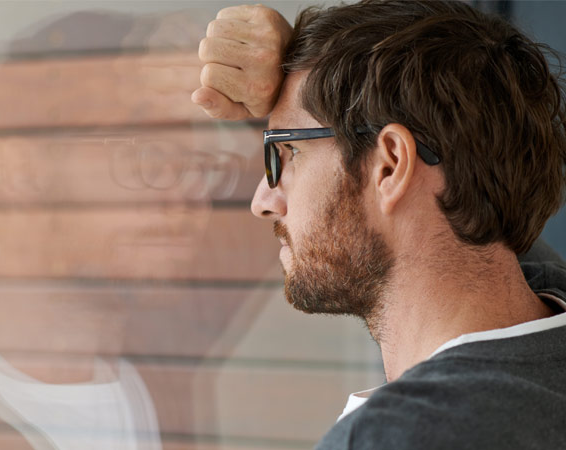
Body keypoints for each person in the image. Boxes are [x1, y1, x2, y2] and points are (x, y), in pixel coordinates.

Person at [193, 1, 566, 448]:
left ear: (390, 166)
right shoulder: (544, 314)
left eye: (286, 152)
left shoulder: (394, 436)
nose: (263, 201)